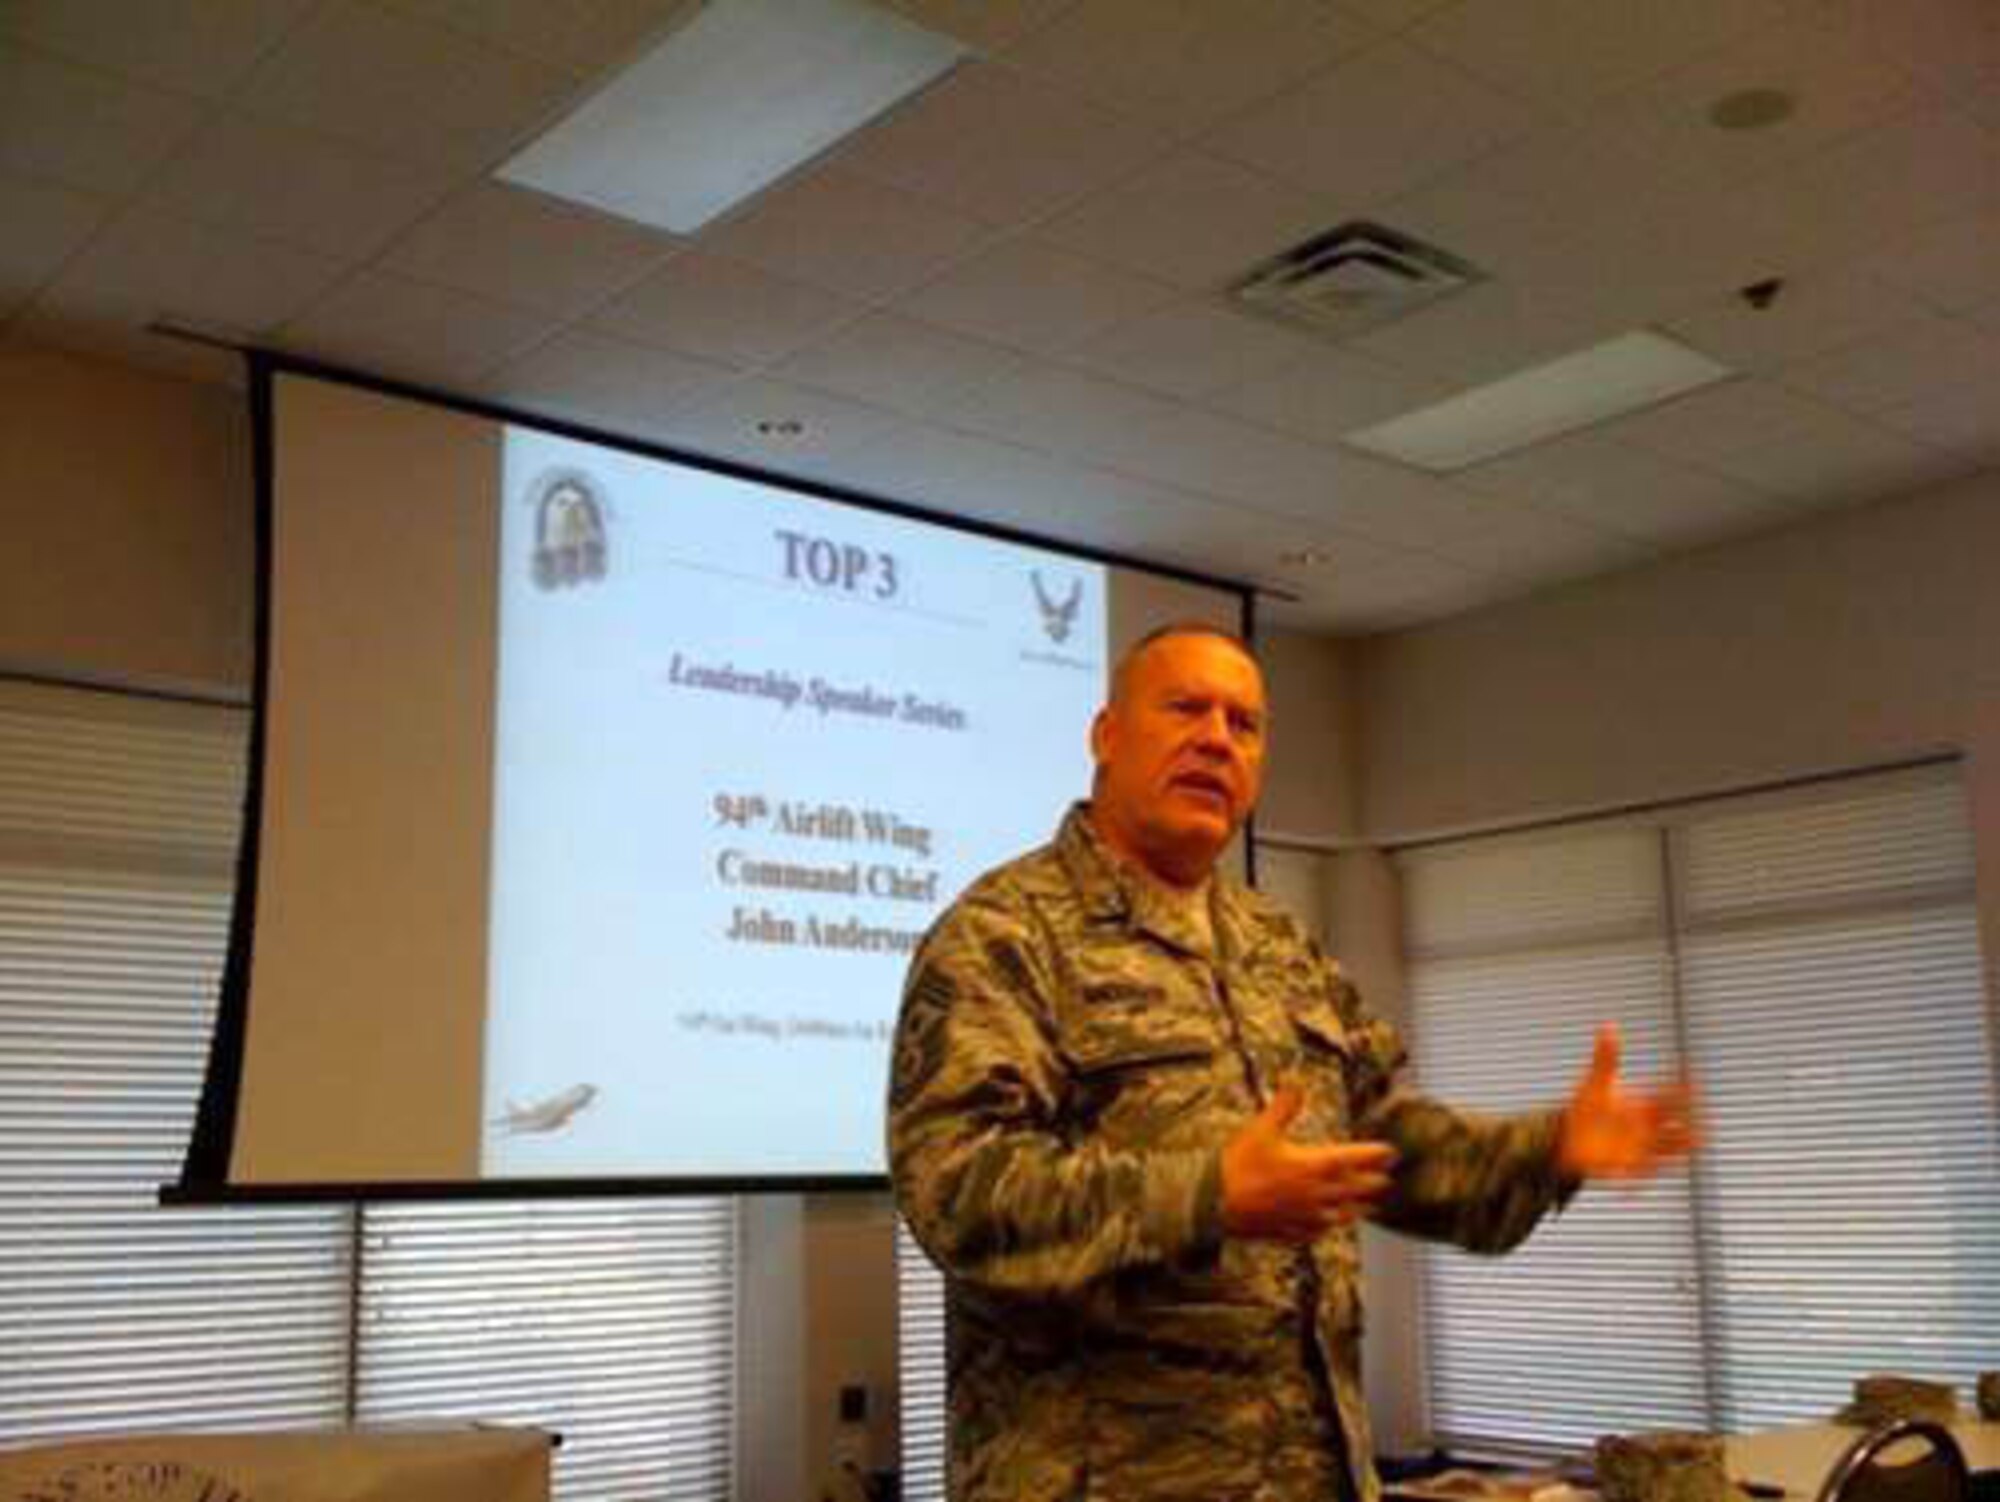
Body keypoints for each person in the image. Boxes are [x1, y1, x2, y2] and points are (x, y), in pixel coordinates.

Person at [887, 623, 1697, 1502]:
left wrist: (1551, 1151)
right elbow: (955, 1194)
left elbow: (1392, 1149)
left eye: (1244, 724)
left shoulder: (1279, 947)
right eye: (1186, 708)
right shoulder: (1003, 934)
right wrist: (1210, 1195)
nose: (1215, 739)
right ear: (1106, 735)